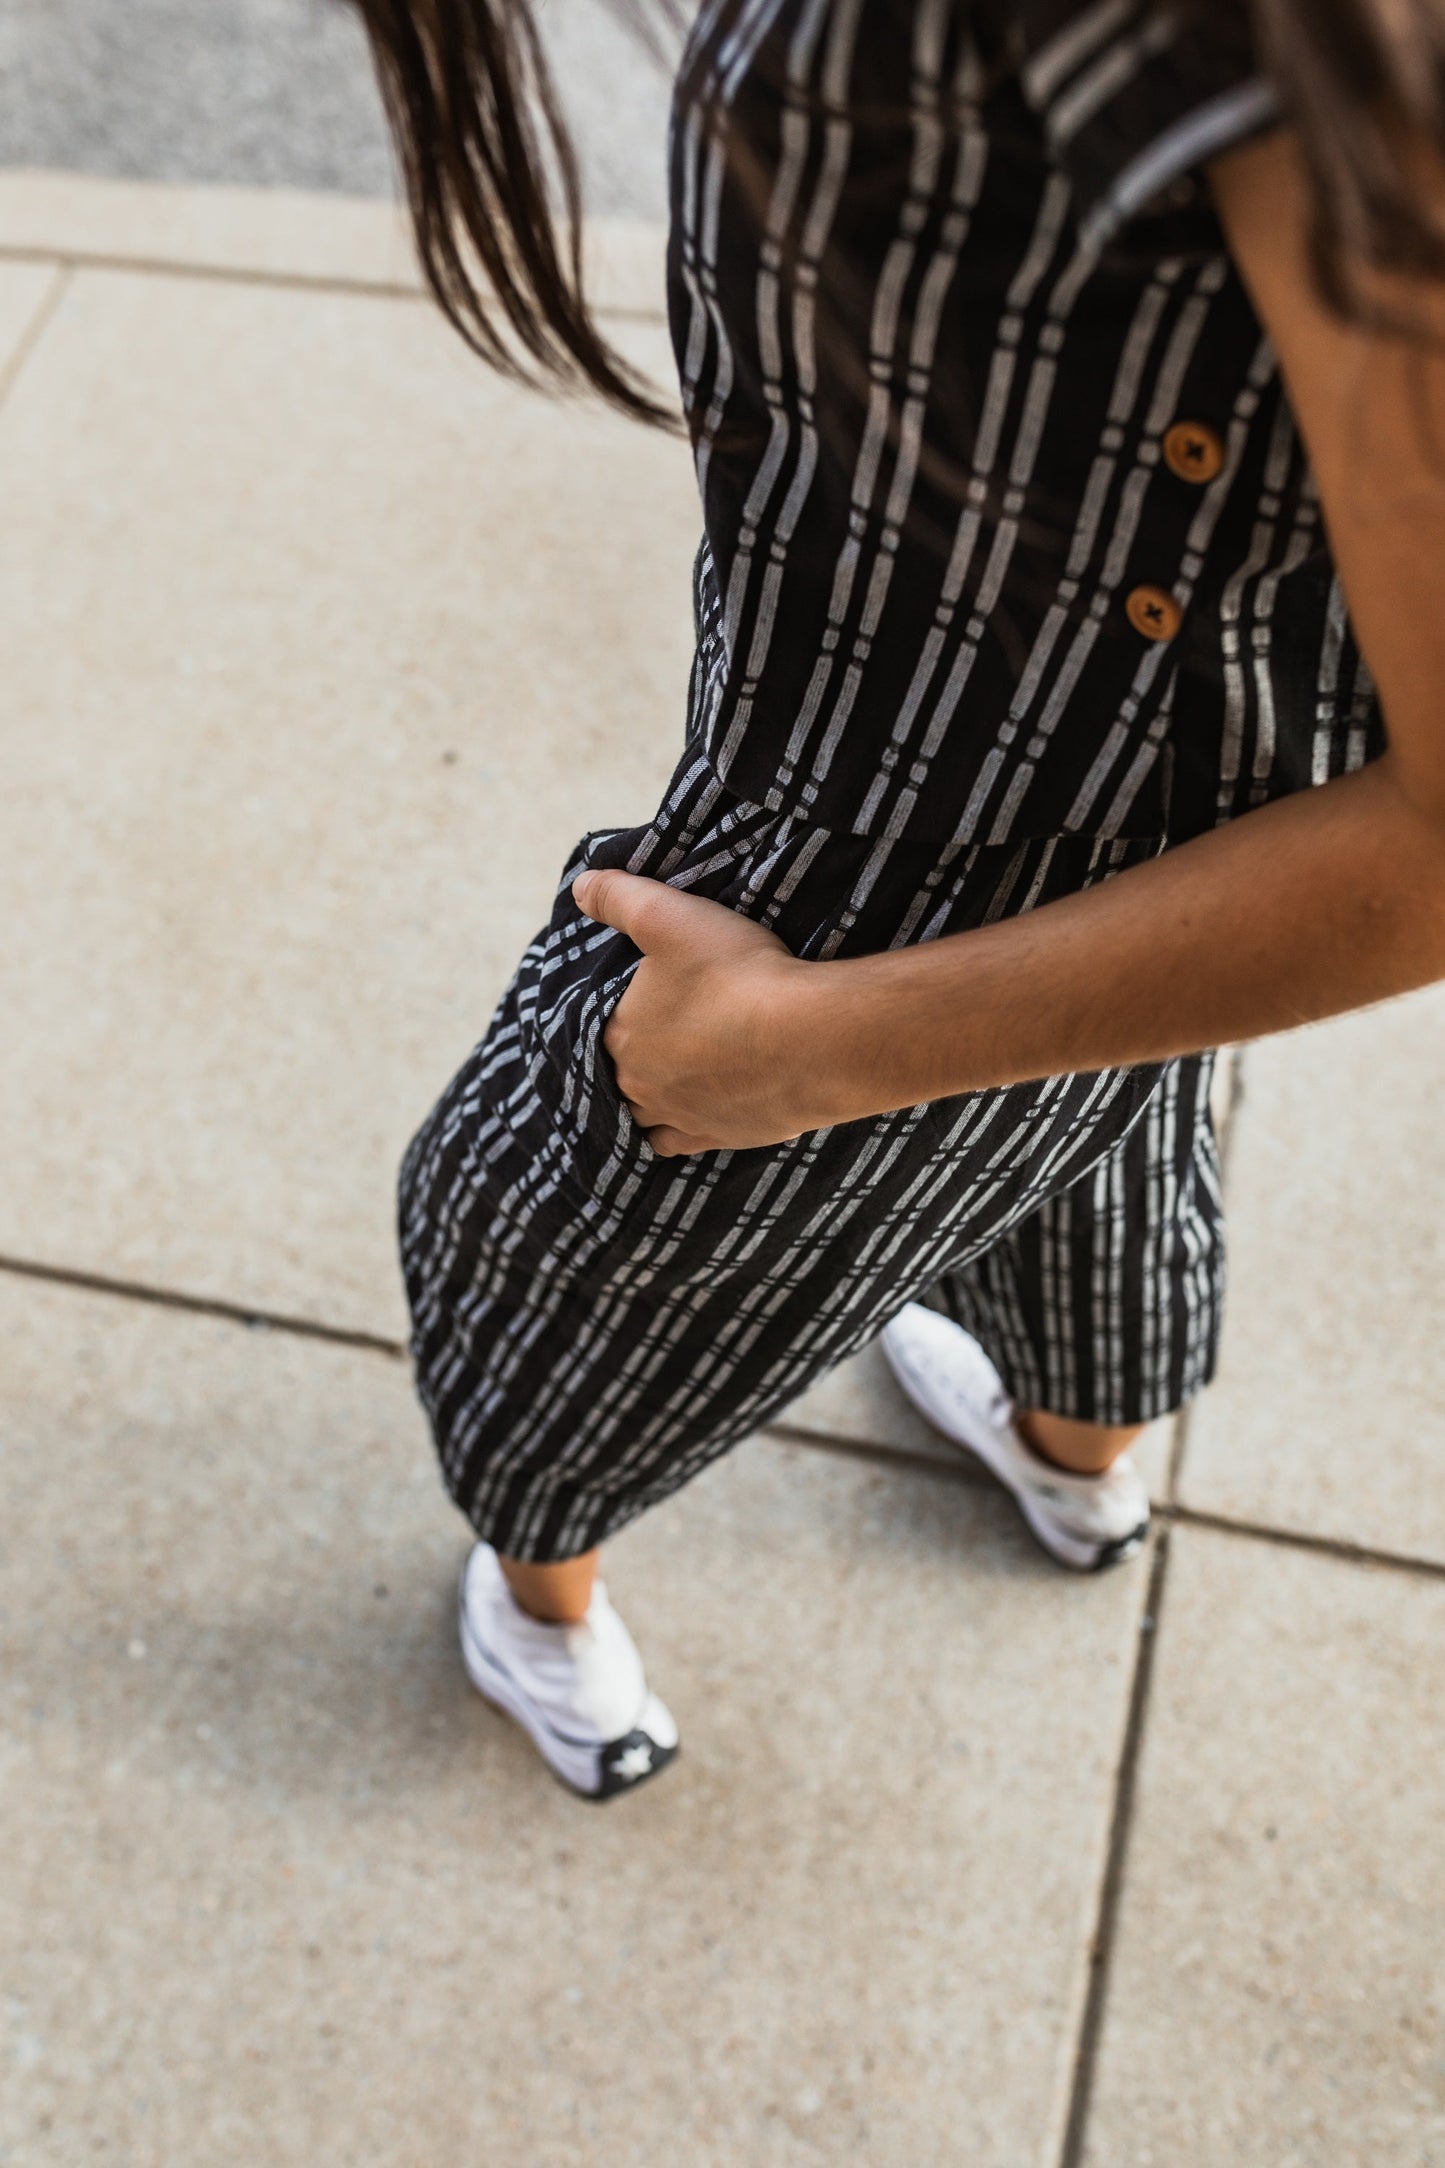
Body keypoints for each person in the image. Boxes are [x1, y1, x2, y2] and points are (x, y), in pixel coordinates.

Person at [348, 0, 1445, 1797]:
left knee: (537, 1269)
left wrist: (810, 1049)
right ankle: (1072, 1473)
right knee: (1099, 1198)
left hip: (855, 904)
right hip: (1138, 886)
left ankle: (537, 1615)